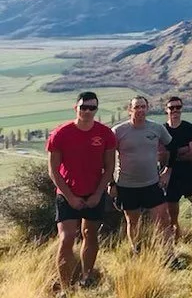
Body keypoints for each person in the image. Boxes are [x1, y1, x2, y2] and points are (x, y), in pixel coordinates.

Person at [47, 91, 116, 293]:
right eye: (83, 107)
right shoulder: (60, 134)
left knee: (90, 234)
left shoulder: (105, 134)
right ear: (75, 108)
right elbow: (53, 170)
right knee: (67, 238)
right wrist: (70, 197)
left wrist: (97, 194)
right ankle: (66, 288)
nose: (87, 111)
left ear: (96, 109)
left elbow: (110, 167)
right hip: (67, 194)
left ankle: (87, 277)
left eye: (91, 107)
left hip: (94, 193)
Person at [111, 96, 174, 251]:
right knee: (132, 221)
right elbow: (106, 157)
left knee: (163, 219)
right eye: (136, 107)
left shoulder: (157, 128)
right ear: (130, 110)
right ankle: (137, 250)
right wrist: (111, 183)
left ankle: (168, 254)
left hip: (152, 183)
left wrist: (167, 171)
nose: (140, 110)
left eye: (142, 107)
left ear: (147, 108)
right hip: (126, 185)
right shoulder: (118, 131)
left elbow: (173, 148)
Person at [161, 96, 192, 238]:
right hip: (169, 180)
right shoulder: (161, 130)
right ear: (166, 110)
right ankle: (176, 245)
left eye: (178, 107)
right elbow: (160, 155)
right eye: (171, 108)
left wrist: (171, 153)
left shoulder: (191, 129)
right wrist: (182, 149)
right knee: (171, 219)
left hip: (189, 176)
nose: (175, 110)